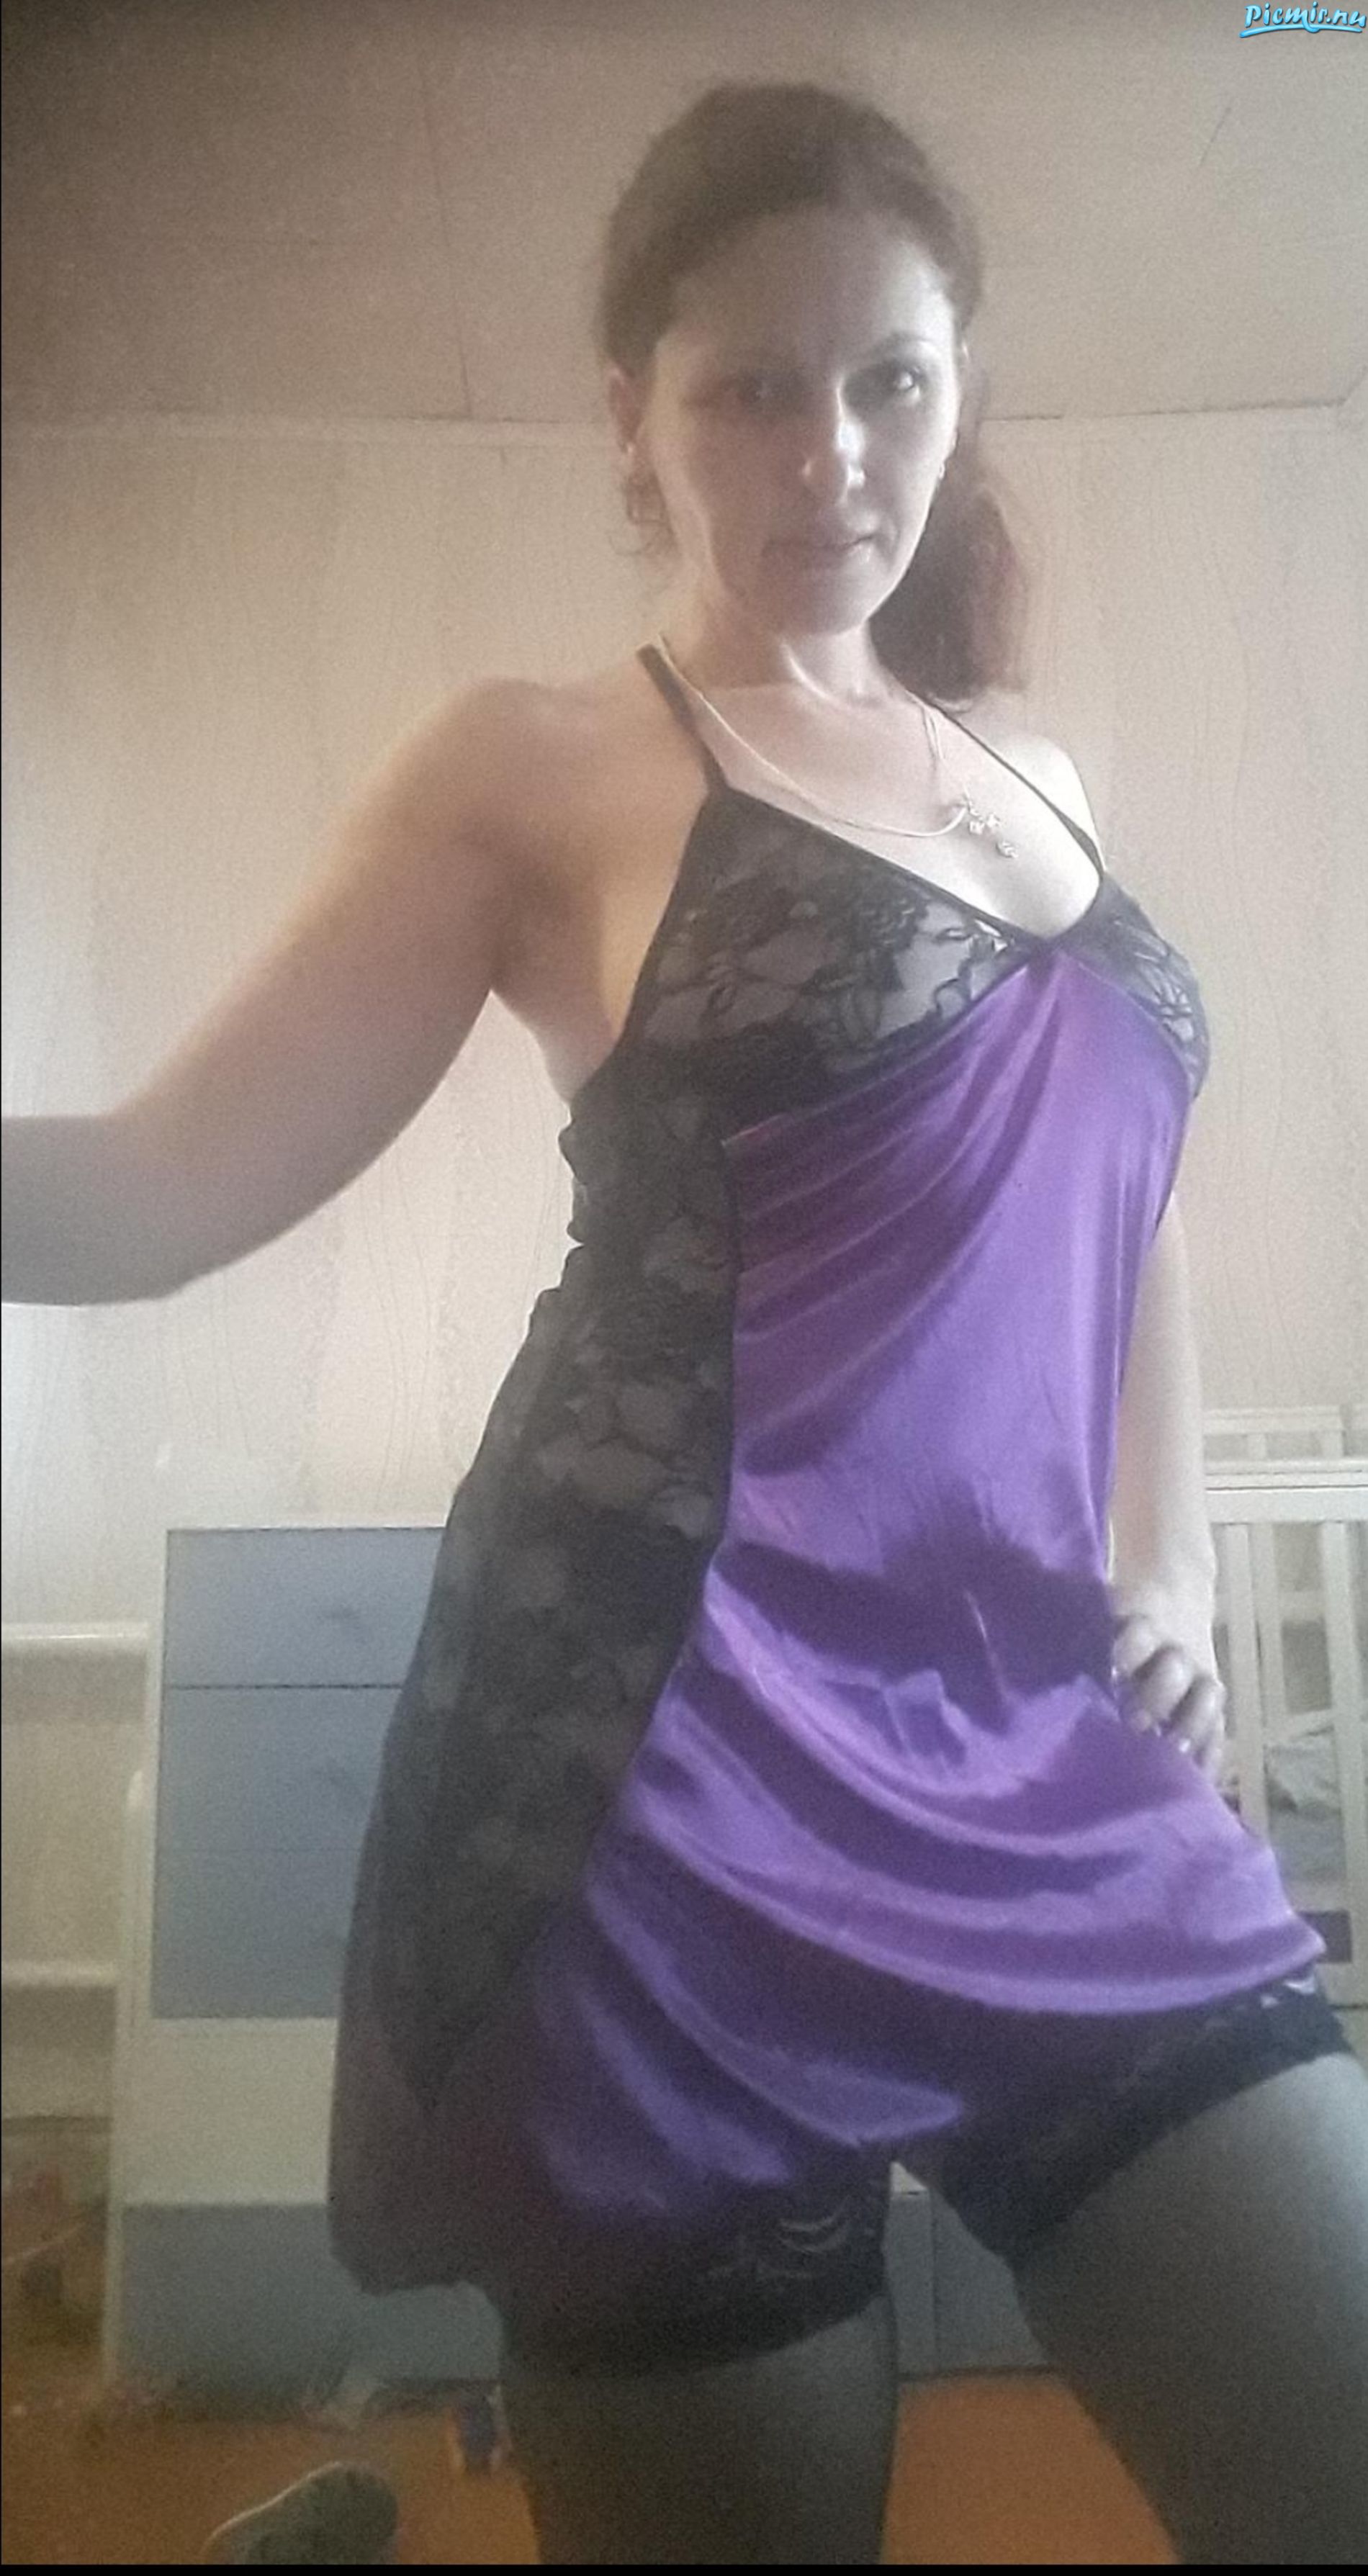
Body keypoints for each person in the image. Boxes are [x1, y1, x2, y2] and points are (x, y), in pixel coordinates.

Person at [4, 78, 1367, 2570]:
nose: (831, 452)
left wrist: (1163, 1557)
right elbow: (159, 1183)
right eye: (752, 385)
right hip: (663, 1760)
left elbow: (1127, 1204)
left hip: (1033, 1746)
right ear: (627, 413)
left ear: (959, 393)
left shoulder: (1030, 767)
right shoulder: (535, 766)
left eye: (891, 379)